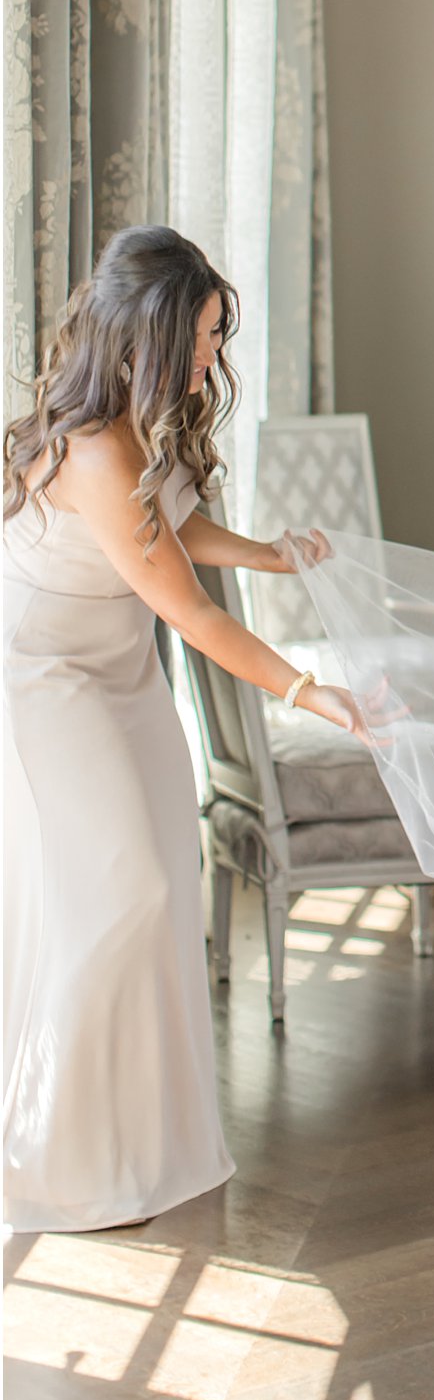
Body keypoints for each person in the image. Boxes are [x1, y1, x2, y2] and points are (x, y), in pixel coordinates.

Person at [3, 226, 361, 1233]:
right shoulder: (94, 445)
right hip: (48, 678)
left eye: (215, 334)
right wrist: (307, 692)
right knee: (120, 890)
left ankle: (144, 1138)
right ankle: (57, 1148)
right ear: (151, 334)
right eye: (203, 335)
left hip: (117, 664)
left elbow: (174, 527)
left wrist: (271, 557)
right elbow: (191, 613)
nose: (214, 354)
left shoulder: (143, 418)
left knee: (166, 879)